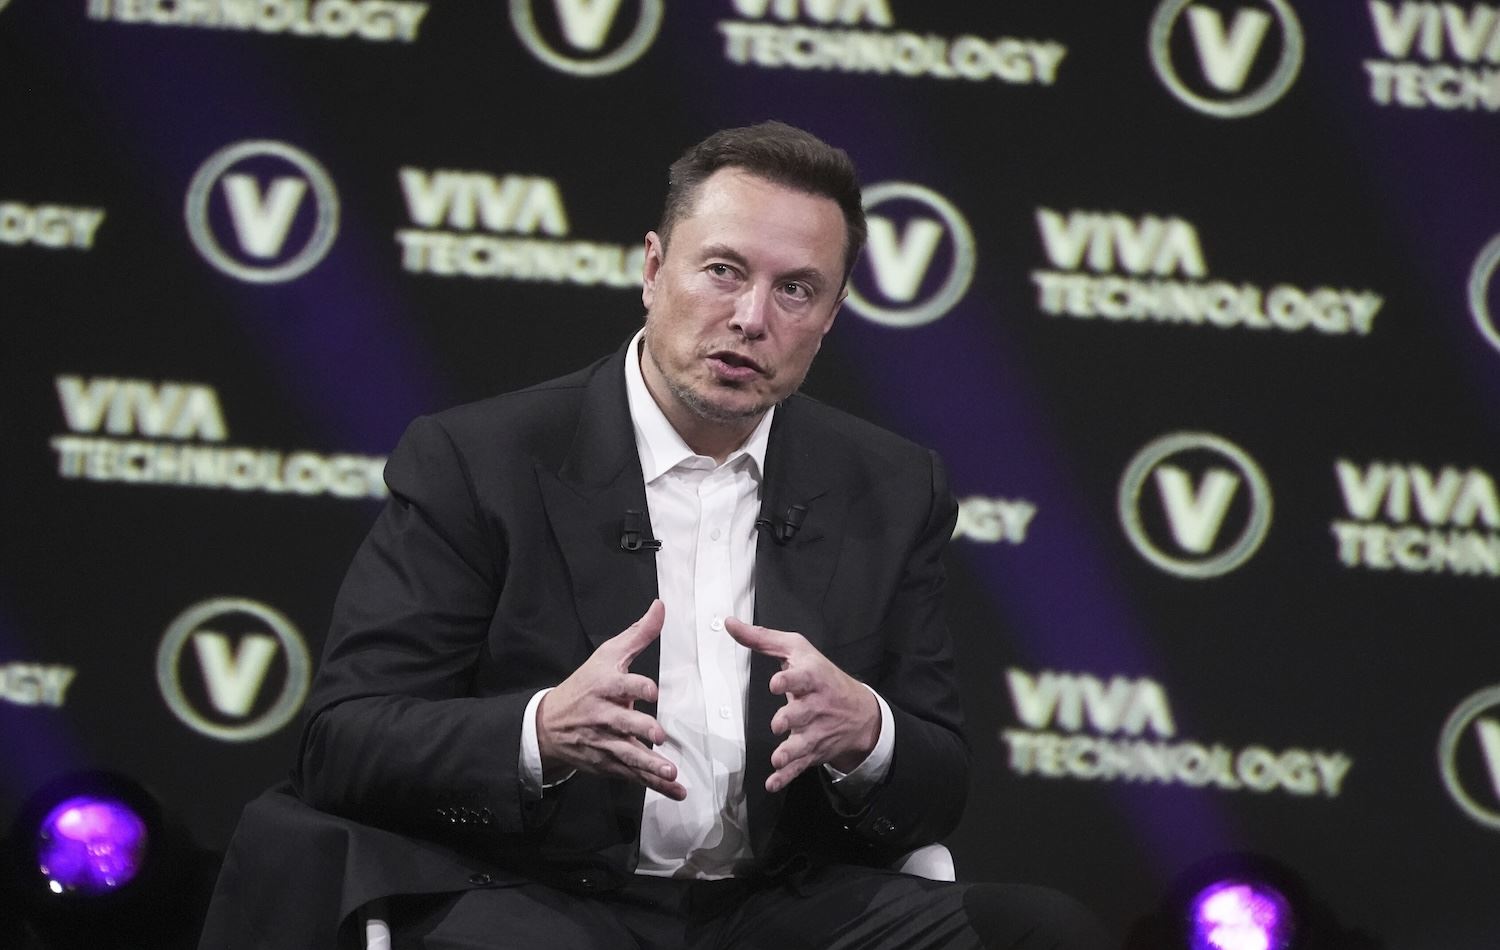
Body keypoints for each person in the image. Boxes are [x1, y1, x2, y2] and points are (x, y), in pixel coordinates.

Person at [199, 121, 1108, 950]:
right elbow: (344, 740)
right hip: (538, 893)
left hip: (776, 907)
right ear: (653, 268)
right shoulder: (481, 459)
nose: (752, 318)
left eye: (796, 289)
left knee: (1043, 934)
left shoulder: (893, 486)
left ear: (831, 316)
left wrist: (867, 732)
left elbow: (939, 780)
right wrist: (540, 731)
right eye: (724, 271)